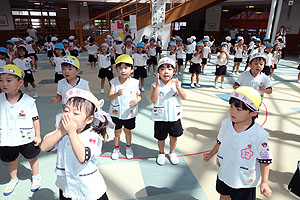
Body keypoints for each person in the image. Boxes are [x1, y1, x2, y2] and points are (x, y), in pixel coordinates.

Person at [41, 88, 114, 200]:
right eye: (66, 110)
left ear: (89, 119)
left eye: (76, 113)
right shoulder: (61, 132)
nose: (68, 115)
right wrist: (61, 131)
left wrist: (71, 133)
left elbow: (82, 157)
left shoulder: (92, 136)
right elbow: (44, 147)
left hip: (87, 189)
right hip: (67, 187)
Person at [203, 86, 272, 200]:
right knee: (224, 194)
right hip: (224, 171)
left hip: (244, 179)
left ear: (253, 113)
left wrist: (264, 182)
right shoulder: (225, 124)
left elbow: (265, 160)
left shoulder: (260, 135)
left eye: (238, 109)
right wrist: (211, 154)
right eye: (231, 106)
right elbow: (219, 142)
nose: (232, 111)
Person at [0, 64, 41, 196]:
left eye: (8, 80)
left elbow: (35, 119)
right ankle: (13, 179)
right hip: (6, 139)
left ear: (20, 82)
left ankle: (35, 176)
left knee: (32, 158)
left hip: (26, 137)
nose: (4, 84)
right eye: (1, 80)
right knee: (11, 161)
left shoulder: (29, 101)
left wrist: (38, 135)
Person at [151, 56, 186, 165]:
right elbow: (153, 99)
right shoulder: (155, 85)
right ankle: (161, 153)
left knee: (174, 136)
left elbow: (184, 97)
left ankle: (172, 152)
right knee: (161, 137)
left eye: (169, 69)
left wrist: (178, 87)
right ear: (158, 72)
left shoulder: (176, 83)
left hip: (174, 116)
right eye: (162, 69)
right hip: (160, 116)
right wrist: (157, 86)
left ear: (174, 71)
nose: (166, 71)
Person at [109, 54, 142, 160]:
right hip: (116, 112)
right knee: (117, 132)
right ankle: (116, 148)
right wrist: (117, 94)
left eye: (126, 68)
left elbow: (139, 96)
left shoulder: (135, 82)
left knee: (128, 131)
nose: (123, 70)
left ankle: (128, 147)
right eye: (120, 68)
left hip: (129, 112)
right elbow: (110, 97)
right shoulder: (114, 82)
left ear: (132, 69)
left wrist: (135, 101)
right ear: (116, 69)